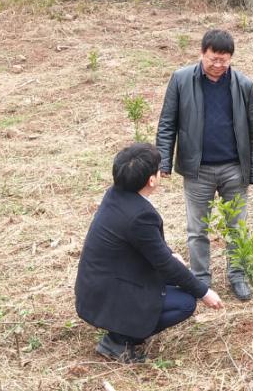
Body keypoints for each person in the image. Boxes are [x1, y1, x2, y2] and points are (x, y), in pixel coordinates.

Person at [75, 143, 224, 363]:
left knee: (176, 281)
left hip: (97, 286)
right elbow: (165, 264)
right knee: (185, 302)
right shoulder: (140, 216)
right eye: (158, 169)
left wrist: (169, 255)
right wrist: (204, 292)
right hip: (110, 293)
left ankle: (122, 330)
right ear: (151, 180)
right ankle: (119, 340)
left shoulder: (116, 195)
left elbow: (147, 246)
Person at [155, 29, 253, 301]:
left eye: (224, 60)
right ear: (202, 53)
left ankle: (237, 276)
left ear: (231, 58)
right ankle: (200, 279)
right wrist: (163, 160)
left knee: (237, 228)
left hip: (234, 169)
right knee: (197, 230)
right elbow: (167, 123)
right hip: (197, 170)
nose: (218, 65)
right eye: (213, 58)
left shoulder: (244, 85)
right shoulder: (181, 80)